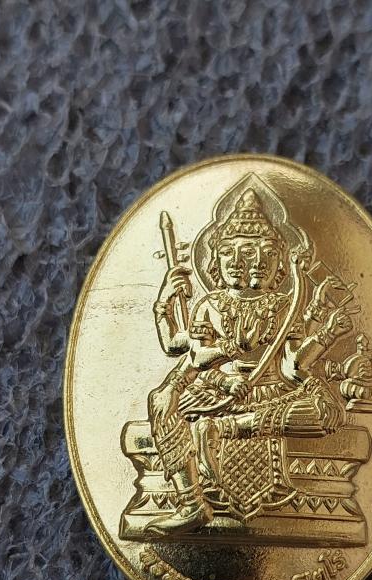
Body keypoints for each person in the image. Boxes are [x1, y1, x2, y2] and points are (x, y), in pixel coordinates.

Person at [145, 189, 356, 535]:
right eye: (233, 252)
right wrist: (164, 304)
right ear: (215, 261)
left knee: (328, 412)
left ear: (278, 263)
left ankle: (223, 429)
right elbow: (190, 353)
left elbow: (292, 367)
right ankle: (191, 502)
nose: (249, 262)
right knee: (161, 401)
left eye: (263, 253)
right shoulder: (209, 305)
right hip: (216, 392)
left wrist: (329, 333)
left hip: (270, 396)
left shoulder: (283, 305)